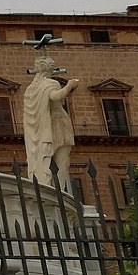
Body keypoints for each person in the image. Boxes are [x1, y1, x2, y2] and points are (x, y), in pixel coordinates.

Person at [23, 55, 79, 188]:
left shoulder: (30, 89)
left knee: (44, 161)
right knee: (62, 162)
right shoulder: (51, 83)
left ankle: (47, 187)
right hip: (58, 122)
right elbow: (55, 96)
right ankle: (60, 191)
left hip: (42, 127)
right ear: (50, 70)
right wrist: (69, 86)